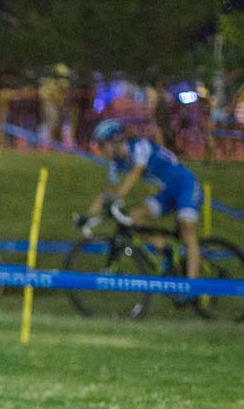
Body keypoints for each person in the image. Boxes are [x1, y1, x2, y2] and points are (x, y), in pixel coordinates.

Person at [83, 119, 203, 286]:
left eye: (103, 146)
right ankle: (165, 249)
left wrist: (117, 197)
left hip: (186, 186)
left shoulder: (140, 146)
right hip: (168, 192)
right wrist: (88, 216)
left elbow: (135, 173)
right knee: (134, 217)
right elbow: (106, 194)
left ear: (116, 141)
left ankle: (192, 288)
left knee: (187, 231)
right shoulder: (115, 163)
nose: (101, 151)